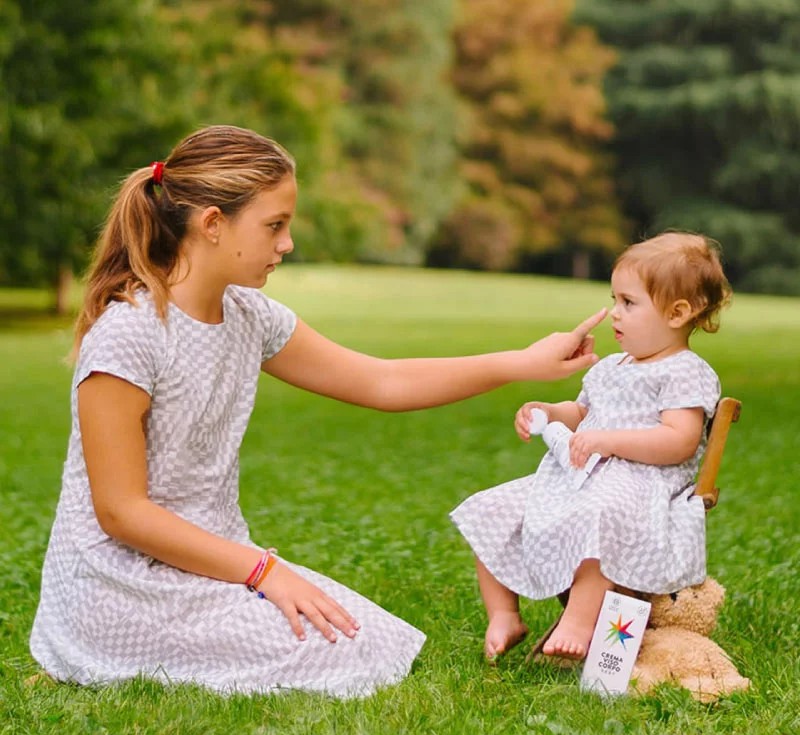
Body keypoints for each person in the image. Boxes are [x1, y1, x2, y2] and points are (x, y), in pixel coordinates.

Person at [29, 124, 606, 698]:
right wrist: (263, 571)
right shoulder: (128, 335)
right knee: (342, 653)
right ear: (211, 225)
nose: (287, 244)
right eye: (274, 225)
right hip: (120, 587)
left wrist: (520, 361)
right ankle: (96, 651)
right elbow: (122, 512)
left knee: (369, 639)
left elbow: (383, 381)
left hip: (214, 565)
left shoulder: (249, 315)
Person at [451, 232, 732, 662]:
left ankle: (581, 622)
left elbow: (679, 441)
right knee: (491, 509)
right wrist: (549, 410)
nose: (614, 314)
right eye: (614, 299)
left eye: (628, 303)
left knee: (600, 515)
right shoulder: (610, 368)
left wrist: (609, 441)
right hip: (577, 479)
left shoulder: (683, 372)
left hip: (642, 485)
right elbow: (582, 413)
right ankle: (504, 613)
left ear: (678, 313)